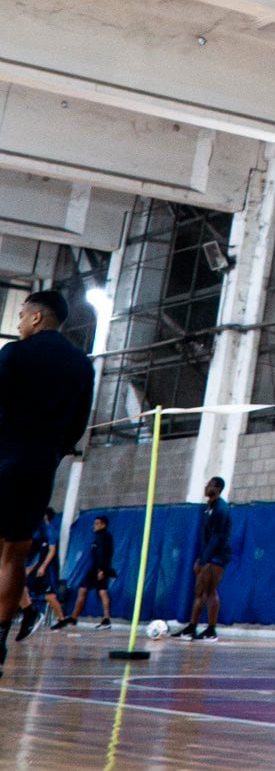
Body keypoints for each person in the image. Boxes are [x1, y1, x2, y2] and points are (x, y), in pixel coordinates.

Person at [0, 290, 94, 677]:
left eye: (21, 316)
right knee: (14, 554)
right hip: (41, 464)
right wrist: (53, 451)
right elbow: (78, 425)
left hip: (4, 454)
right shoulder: (81, 365)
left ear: (37, 318)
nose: (19, 323)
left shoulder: (14, 355)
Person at [178, 476, 232, 642]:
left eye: (209, 485)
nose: (206, 487)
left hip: (216, 556)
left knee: (206, 591)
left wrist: (204, 559)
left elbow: (217, 537)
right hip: (210, 554)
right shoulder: (209, 508)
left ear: (217, 488)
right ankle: (194, 627)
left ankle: (209, 629)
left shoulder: (221, 509)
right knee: (203, 591)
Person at [60, 514, 114, 629]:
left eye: (97, 523)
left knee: (101, 591)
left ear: (103, 525)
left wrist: (101, 570)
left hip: (98, 569)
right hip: (98, 568)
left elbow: (102, 554)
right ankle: (74, 617)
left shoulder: (102, 537)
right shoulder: (102, 536)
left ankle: (106, 619)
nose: (94, 526)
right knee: (88, 590)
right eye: (94, 523)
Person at [17, 508, 64, 638]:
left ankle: (61, 619)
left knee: (50, 595)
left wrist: (43, 567)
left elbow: (52, 551)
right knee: (23, 585)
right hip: (39, 568)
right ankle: (28, 611)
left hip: (49, 570)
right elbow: (37, 555)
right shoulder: (38, 534)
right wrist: (31, 569)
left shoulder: (50, 531)